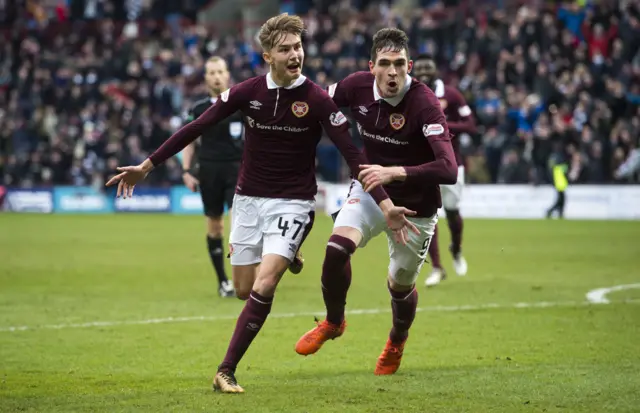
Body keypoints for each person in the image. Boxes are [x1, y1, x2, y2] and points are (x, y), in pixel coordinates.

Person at [106, 13, 417, 393]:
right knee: (243, 289)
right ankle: (288, 253)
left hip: (293, 204)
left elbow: (355, 157)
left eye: (298, 47)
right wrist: (147, 165)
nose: (294, 55)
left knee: (265, 284)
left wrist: (384, 204)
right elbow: (196, 126)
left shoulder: (317, 100)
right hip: (248, 201)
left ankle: (226, 370)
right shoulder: (247, 92)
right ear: (267, 56)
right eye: (285, 49)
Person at [294, 29, 457, 376]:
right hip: (369, 191)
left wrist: (393, 172)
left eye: (400, 64)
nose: (393, 72)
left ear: (410, 66)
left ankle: (397, 338)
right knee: (337, 248)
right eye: (385, 64)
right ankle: (334, 322)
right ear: (372, 66)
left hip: (416, 208)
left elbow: (449, 168)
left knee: (399, 285)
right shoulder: (355, 86)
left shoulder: (425, 103)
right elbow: (317, 104)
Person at [180, 56, 243, 298]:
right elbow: (188, 141)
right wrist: (187, 171)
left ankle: (248, 278)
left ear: (227, 75)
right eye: (212, 72)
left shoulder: (239, 105)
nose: (216, 76)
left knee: (240, 224)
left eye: (220, 71)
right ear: (206, 78)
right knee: (215, 226)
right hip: (208, 171)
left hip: (237, 169)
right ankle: (223, 282)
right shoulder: (198, 109)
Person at [412, 54, 476, 287]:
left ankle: (456, 249)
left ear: (435, 69)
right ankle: (437, 267)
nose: (424, 71)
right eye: (420, 68)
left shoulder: (451, 94)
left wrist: (444, 127)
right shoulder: (409, 94)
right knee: (428, 217)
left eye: (428, 67)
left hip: (451, 164)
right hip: (423, 164)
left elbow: (471, 125)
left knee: (452, 213)